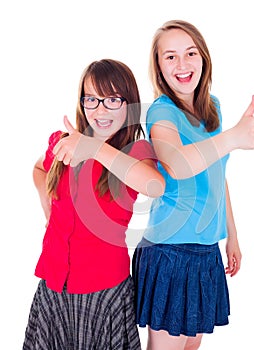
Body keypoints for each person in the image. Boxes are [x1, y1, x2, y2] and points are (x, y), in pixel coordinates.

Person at [132, 20, 254, 350]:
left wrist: (231, 235)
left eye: (190, 53)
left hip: (206, 252)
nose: (182, 65)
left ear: (203, 58)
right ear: (159, 68)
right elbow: (177, 164)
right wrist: (233, 138)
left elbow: (217, 176)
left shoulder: (213, 108)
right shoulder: (162, 113)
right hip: (169, 252)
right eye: (170, 57)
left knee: (191, 346)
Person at [22, 58, 165, 350]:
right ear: (82, 103)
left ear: (129, 103)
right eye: (92, 99)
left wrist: (96, 148)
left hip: (104, 291)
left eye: (113, 99)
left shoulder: (136, 152)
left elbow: (155, 185)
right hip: (54, 288)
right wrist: (46, 206)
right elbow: (38, 169)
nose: (101, 110)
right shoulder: (63, 142)